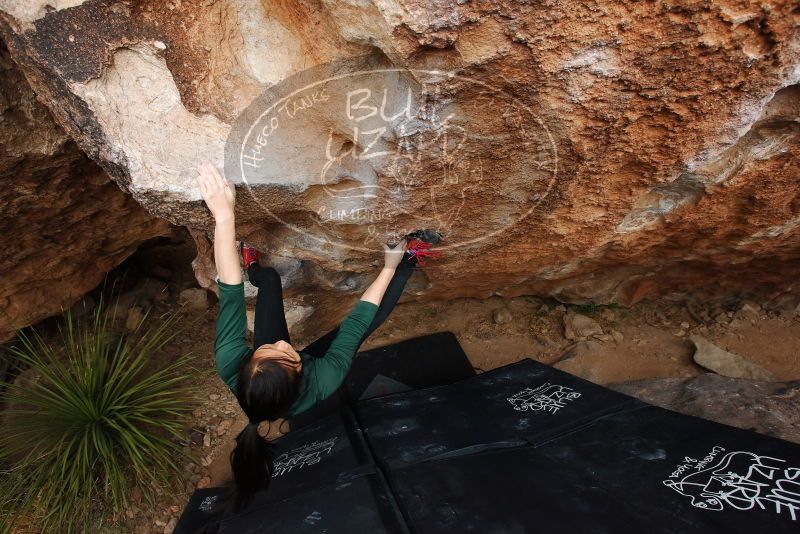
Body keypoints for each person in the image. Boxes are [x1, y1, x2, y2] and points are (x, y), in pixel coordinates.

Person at [196, 162, 436, 511]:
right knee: (366, 323)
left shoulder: (231, 362)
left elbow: (230, 292)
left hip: (272, 373)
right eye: (287, 354)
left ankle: (255, 268)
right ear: (299, 370)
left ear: (248, 364)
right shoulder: (324, 378)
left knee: (271, 282)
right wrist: (388, 265)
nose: (283, 342)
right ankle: (410, 258)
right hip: (304, 374)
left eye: (266, 350)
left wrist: (223, 215)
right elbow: (355, 325)